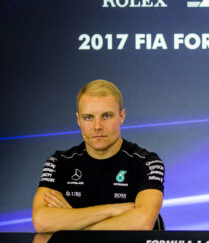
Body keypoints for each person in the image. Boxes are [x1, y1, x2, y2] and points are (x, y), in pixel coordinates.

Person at [32, 79, 165, 232]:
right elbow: (42, 221)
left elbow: (142, 223)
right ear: (78, 120)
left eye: (106, 116)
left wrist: (73, 224)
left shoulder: (146, 162)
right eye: (88, 117)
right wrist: (111, 210)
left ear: (121, 116)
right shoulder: (60, 162)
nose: (97, 126)